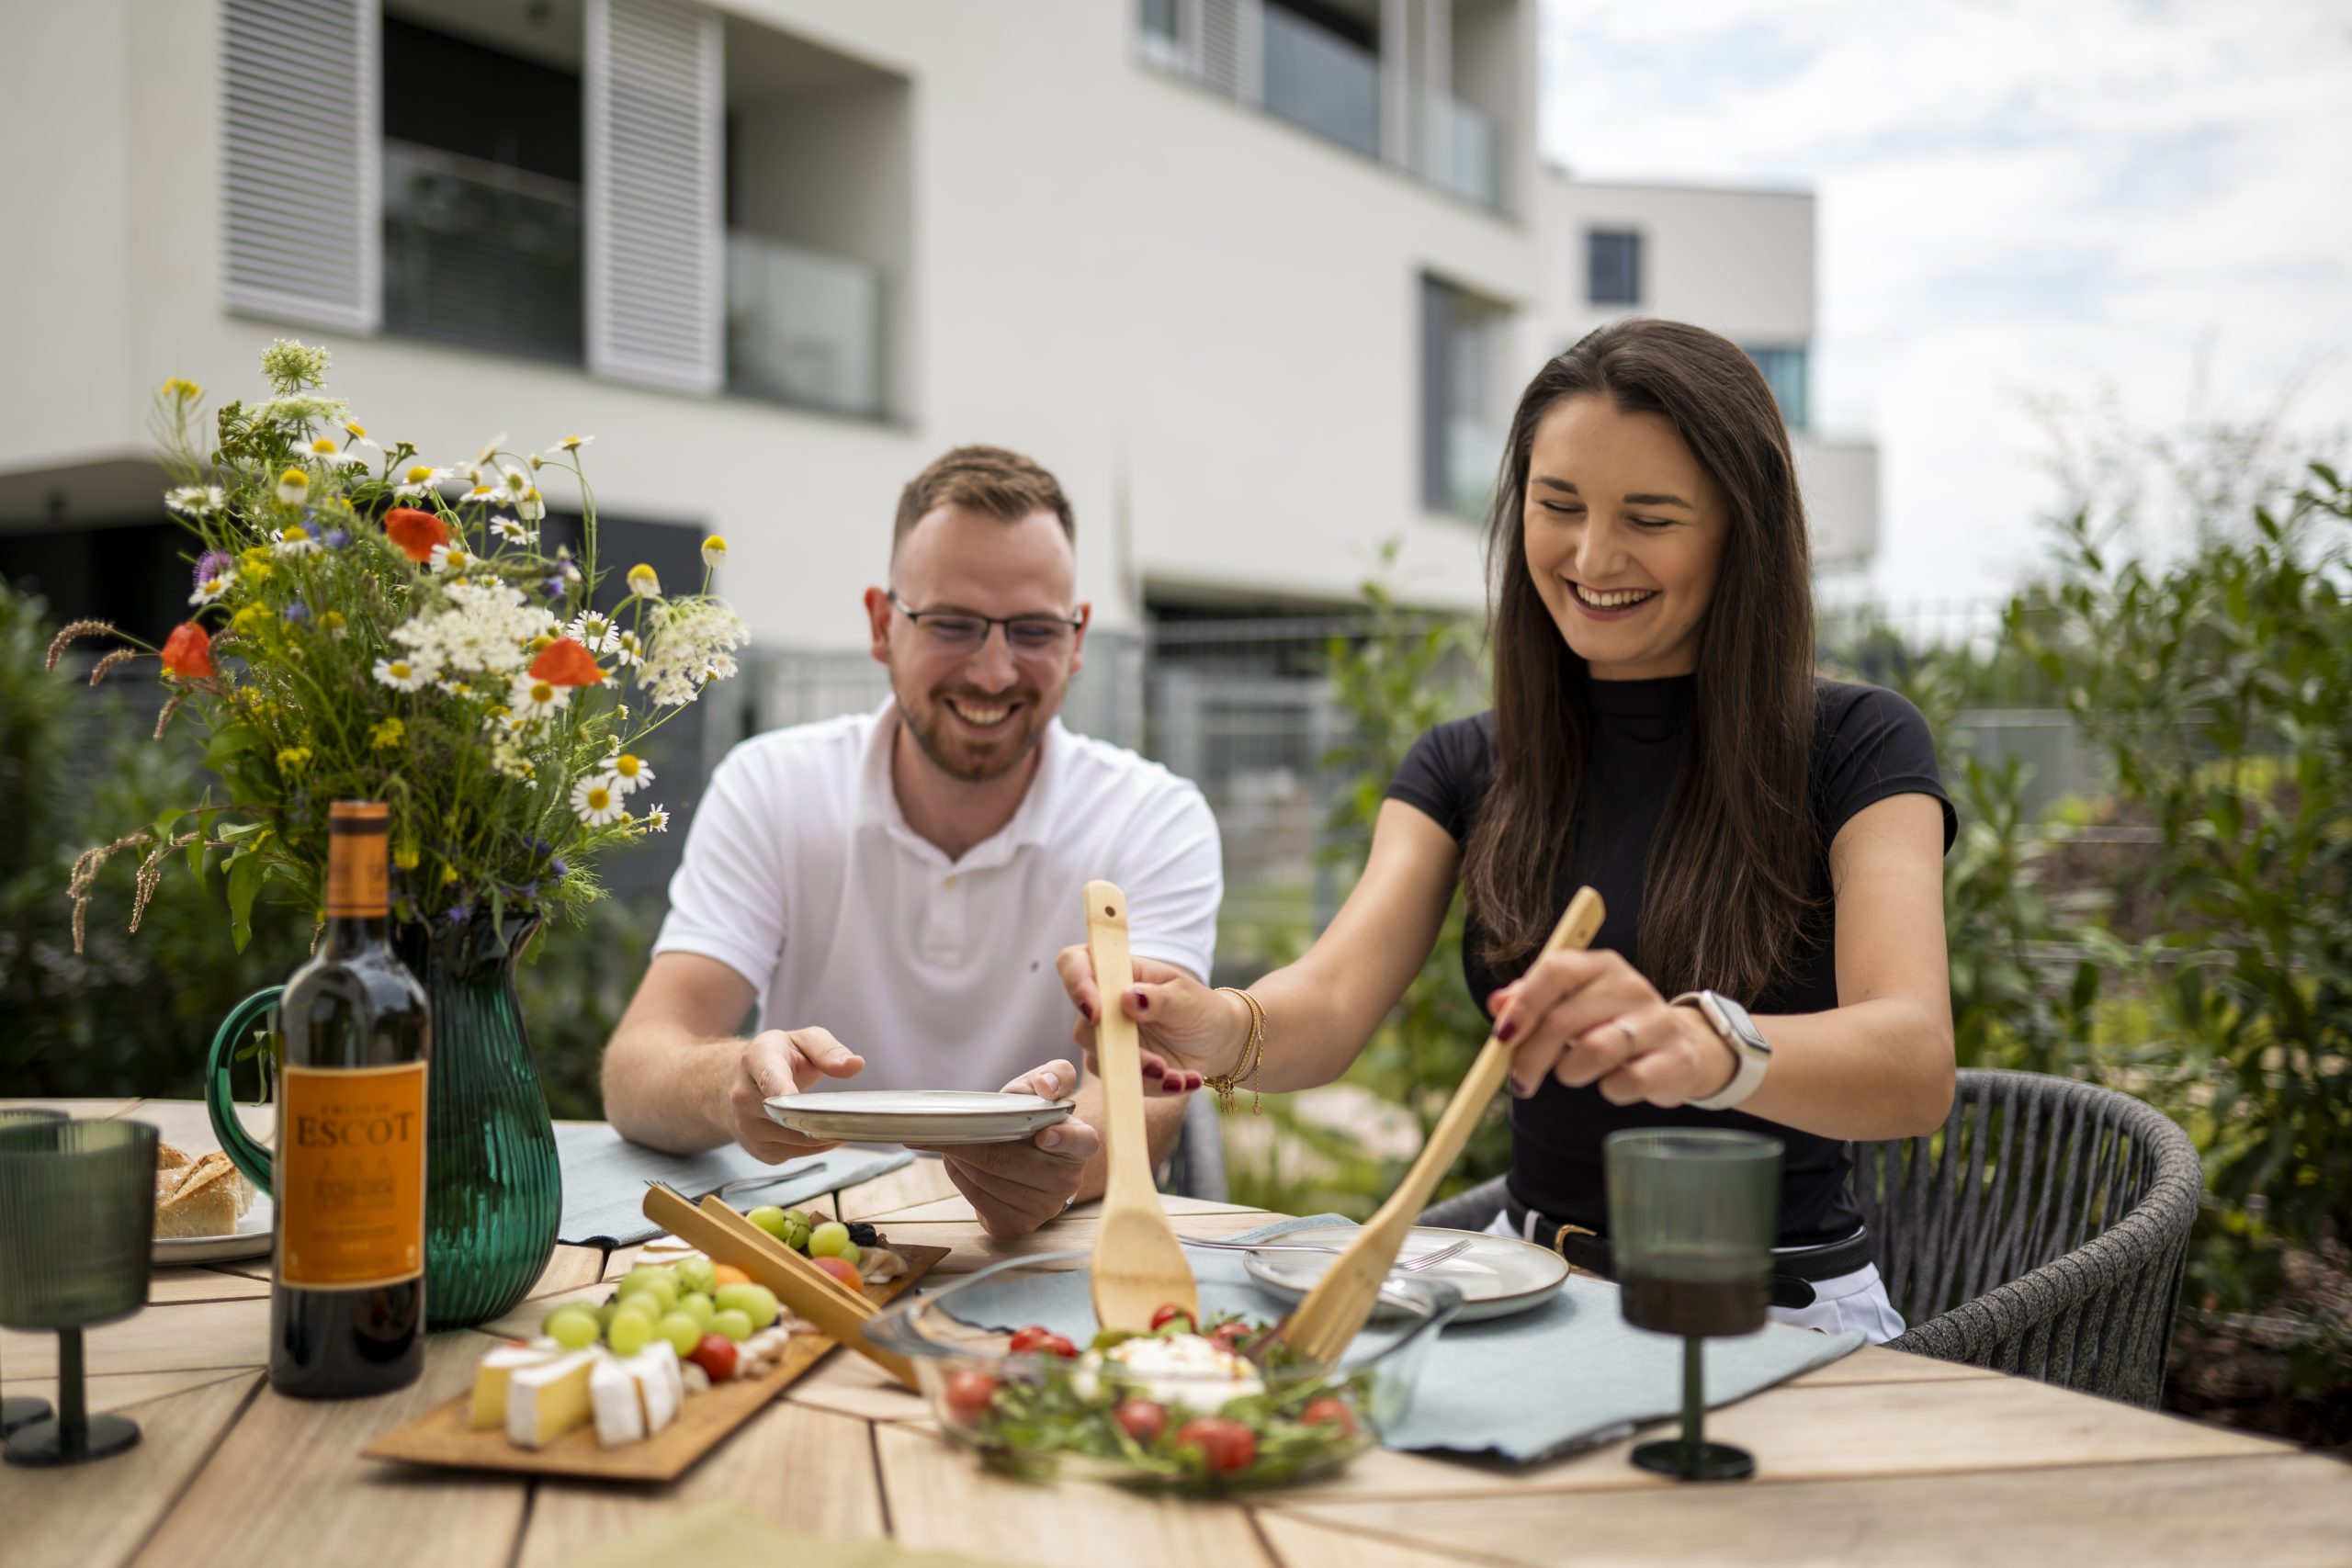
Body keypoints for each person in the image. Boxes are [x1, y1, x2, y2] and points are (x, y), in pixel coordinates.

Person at [1058, 320, 1956, 1337]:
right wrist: (1221, 1026)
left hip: (1776, 1311)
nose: (1591, 555)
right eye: (1558, 505)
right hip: (1522, 1299)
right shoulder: (1462, 765)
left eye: (1650, 518)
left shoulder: (1858, 744)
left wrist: (1702, 1042)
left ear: (1738, 530)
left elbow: (1913, 1061)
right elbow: (1331, 1000)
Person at [605, 446, 1219, 1236]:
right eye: (953, 624)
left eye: (1033, 629)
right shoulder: (772, 785)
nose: (994, 672)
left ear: (1076, 641)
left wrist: (1058, 1158)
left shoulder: (1153, 816)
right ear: (881, 624)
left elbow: (1149, 1087)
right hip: (817, 1248)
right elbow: (638, 1063)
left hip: (1046, 1251)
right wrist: (733, 1078)